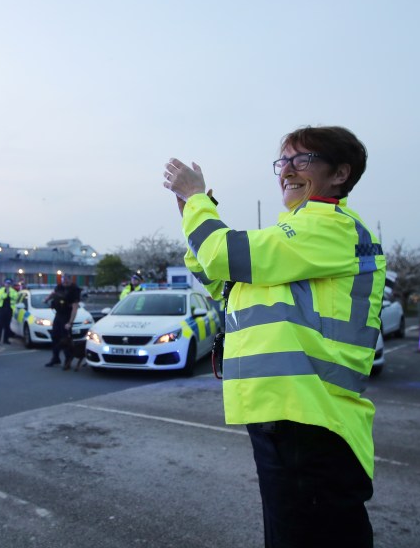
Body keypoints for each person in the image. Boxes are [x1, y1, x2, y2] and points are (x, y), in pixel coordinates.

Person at [163, 126, 385, 547]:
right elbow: (220, 277)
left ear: (340, 173)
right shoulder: (294, 239)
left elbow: (224, 252)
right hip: (287, 419)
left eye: (302, 159)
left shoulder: (330, 227)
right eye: (282, 161)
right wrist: (191, 216)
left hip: (314, 420)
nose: (287, 170)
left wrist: (196, 202)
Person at [43, 274, 81, 369]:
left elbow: (75, 308)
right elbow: (54, 293)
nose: (64, 282)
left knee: (66, 340)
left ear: (70, 280)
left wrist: (70, 323)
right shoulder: (59, 286)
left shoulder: (74, 290)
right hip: (58, 315)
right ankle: (55, 358)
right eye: (63, 280)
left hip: (66, 316)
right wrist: (47, 298)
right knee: (55, 337)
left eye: (66, 280)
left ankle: (67, 361)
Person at [0, 278, 19, 345]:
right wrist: (6, 294)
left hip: (9, 310)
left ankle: (6, 339)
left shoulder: (13, 291)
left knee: (7, 326)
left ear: (10, 284)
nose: (7, 284)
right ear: (4, 283)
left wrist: (9, 293)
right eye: (6, 283)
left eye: (9, 283)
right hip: (1, 309)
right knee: (0, 325)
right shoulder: (0, 290)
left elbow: (15, 297)